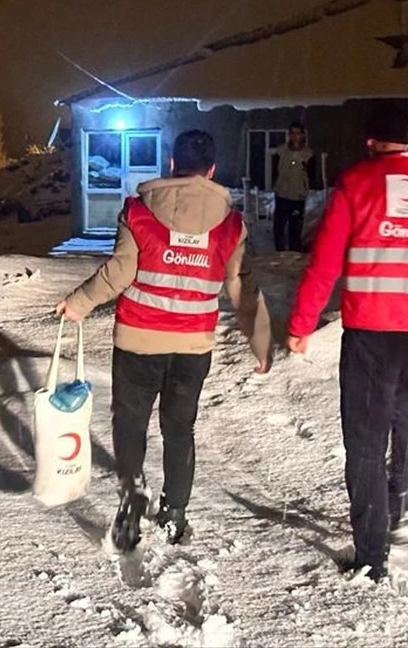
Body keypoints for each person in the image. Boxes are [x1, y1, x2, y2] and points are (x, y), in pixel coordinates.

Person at [285, 101, 408, 582]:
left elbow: (326, 262)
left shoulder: (356, 184)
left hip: (371, 329)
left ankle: (371, 550)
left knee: (365, 434)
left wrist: (301, 324)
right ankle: (401, 513)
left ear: (371, 141)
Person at [55, 129, 272, 552]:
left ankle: (132, 504)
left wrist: (79, 303)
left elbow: (119, 273)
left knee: (130, 424)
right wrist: (260, 341)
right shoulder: (231, 225)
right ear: (211, 170)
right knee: (179, 429)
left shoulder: (138, 212)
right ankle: (175, 513)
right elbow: (241, 287)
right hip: (193, 347)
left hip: (138, 341)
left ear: (172, 164)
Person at [270, 122, 315, 252]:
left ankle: (294, 256)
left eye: (298, 133)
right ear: (289, 135)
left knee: (295, 229)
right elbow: (274, 171)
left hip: (298, 197)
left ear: (302, 135)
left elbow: (312, 175)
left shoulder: (308, 154)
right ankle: (279, 255)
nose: (295, 137)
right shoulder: (280, 151)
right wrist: (276, 185)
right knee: (279, 228)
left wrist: (305, 187)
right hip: (282, 195)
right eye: (293, 133)